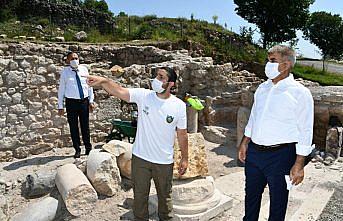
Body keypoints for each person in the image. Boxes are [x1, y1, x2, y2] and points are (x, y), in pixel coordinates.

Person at [87, 67, 188, 221]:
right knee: (140, 200)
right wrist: (104, 81)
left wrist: (185, 158)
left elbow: (182, 134)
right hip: (141, 159)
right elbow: (119, 91)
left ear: (171, 84)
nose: (156, 79)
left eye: (161, 77)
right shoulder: (144, 96)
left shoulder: (179, 106)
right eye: (156, 75)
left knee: (165, 201)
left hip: (164, 161)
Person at [237, 45, 314, 221]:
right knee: (251, 196)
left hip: (281, 156)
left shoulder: (300, 93)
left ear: (286, 65)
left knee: (278, 201)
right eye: (268, 60)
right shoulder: (263, 88)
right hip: (255, 153)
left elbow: (306, 129)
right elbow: (254, 118)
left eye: (272, 61)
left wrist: (299, 164)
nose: (268, 64)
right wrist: (245, 142)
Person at [57, 52, 95, 158]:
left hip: (84, 101)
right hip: (71, 103)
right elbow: (61, 89)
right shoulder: (65, 72)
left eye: (76, 58)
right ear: (68, 61)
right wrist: (60, 106)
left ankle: (88, 148)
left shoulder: (84, 69)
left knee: (85, 126)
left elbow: (89, 85)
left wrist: (91, 101)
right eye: (72, 58)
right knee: (73, 127)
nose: (75, 60)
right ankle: (77, 149)